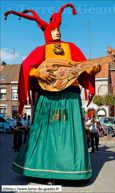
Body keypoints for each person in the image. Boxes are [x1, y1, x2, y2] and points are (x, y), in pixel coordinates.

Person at [5, 3, 101, 183]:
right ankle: (43, 169)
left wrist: (93, 70)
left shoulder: (72, 47)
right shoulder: (43, 50)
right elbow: (27, 65)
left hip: (70, 96)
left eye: (58, 29)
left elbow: (85, 67)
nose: (56, 31)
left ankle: (71, 170)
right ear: (47, 32)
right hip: (48, 97)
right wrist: (37, 72)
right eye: (53, 29)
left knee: (67, 131)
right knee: (46, 132)